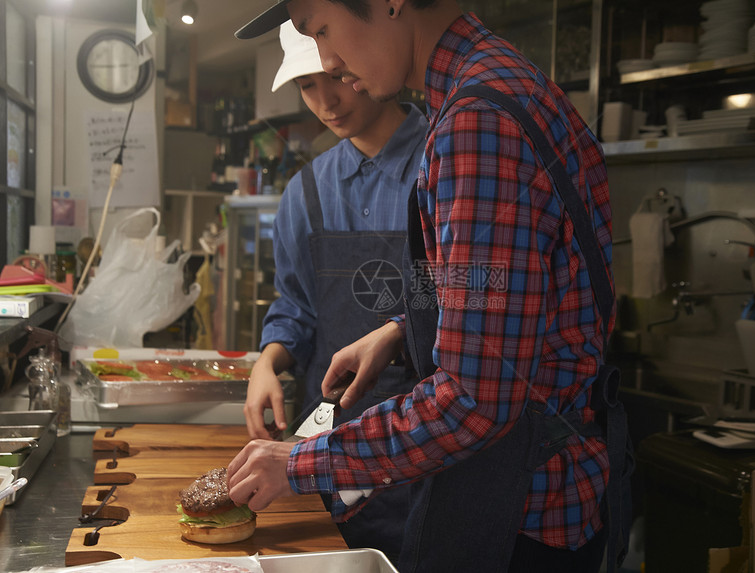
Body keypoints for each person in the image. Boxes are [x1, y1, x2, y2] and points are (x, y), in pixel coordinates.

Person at [230, 2, 632, 572]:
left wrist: (298, 462)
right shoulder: (503, 83)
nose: (329, 62)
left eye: (321, 30)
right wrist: (400, 328)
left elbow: (473, 401)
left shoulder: (476, 122)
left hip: (514, 509)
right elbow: (503, 282)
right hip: (530, 493)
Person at [244, 21, 428, 559]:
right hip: (332, 441)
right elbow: (296, 305)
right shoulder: (306, 191)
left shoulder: (447, 160)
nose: (325, 100)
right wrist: (267, 361)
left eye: (333, 77)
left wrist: (401, 328)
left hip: (427, 442)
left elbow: (470, 299)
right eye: (306, 86)